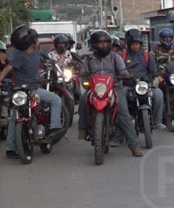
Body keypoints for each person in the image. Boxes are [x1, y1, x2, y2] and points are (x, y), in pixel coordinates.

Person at [75, 30, 143, 157]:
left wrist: (127, 76)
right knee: (83, 100)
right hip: (95, 89)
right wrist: (85, 82)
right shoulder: (88, 59)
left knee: (124, 113)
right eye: (100, 43)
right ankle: (82, 128)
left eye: (105, 43)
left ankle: (134, 146)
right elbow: (83, 74)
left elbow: (122, 71)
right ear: (94, 44)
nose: (103, 45)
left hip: (114, 88)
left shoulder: (115, 57)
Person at [0, 25, 64, 159]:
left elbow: (48, 62)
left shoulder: (36, 54)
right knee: (15, 118)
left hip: (34, 89)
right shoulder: (20, 56)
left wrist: (55, 68)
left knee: (55, 100)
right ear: (32, 43)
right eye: (37, 39)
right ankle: (11, 148)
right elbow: (7, 69)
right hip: (21, 91)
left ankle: (53, 127)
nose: (38, 42)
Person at [123, 29, 166, 130]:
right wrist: (126, 77)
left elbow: (153, 71)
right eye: (133, 44)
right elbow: (120, 71)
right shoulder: (122, 56)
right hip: (129, 85)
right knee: (121, 96)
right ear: (129, 45)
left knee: (158, 94)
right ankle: (124, 122)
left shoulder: (148, 55)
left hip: (144, 85)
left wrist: (150, 78)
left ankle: (157, 121)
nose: (135, 46)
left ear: (140, 44)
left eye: (137, 44)